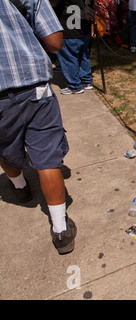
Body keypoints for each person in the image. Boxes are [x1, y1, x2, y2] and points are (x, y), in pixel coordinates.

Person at [0, 0, 76, 254]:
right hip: (34, 86)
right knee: (47, 160)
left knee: (5, 144)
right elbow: (55, 42)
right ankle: (60, 229)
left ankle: (20, 188)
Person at [51, 0, 94, 95]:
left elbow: (53, 2)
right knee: (84, 55)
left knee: (69, 57)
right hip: (84, 25)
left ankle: (74, 85)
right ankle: (86, 81)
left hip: (70, 26)